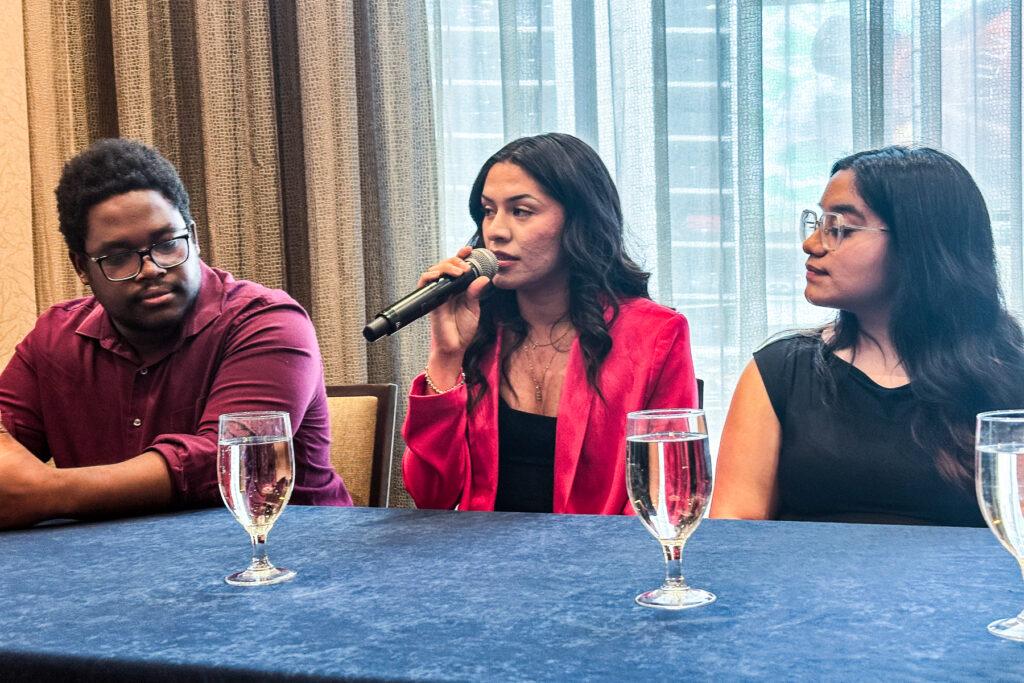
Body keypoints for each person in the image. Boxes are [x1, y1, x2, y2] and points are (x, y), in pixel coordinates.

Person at [0, 138, 352, 529]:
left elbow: (221, 461)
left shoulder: (268, 322)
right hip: (111, 570)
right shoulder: (54, 339)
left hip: (289, 562)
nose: (152, 269)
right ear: (81, 267)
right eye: (118, 257)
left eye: (167, 244)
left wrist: (48, 493)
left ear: (195, 238)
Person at [711, 146, 1024, 527]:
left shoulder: (1010, 375)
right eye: (818, 224)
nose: (812, 244)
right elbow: (735, 534)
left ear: (919, 244)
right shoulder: (780, 372)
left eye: (839, 228)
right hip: (806, 586)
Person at [402, 133, 698, 514]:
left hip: (597, 563)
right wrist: (447, 356)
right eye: (488, 211)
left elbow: (666, 499)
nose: (496, 231)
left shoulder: (655, 335)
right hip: (481, 563)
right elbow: (431, 496)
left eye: (521, 211)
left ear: (579, 220)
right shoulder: (481, 326)